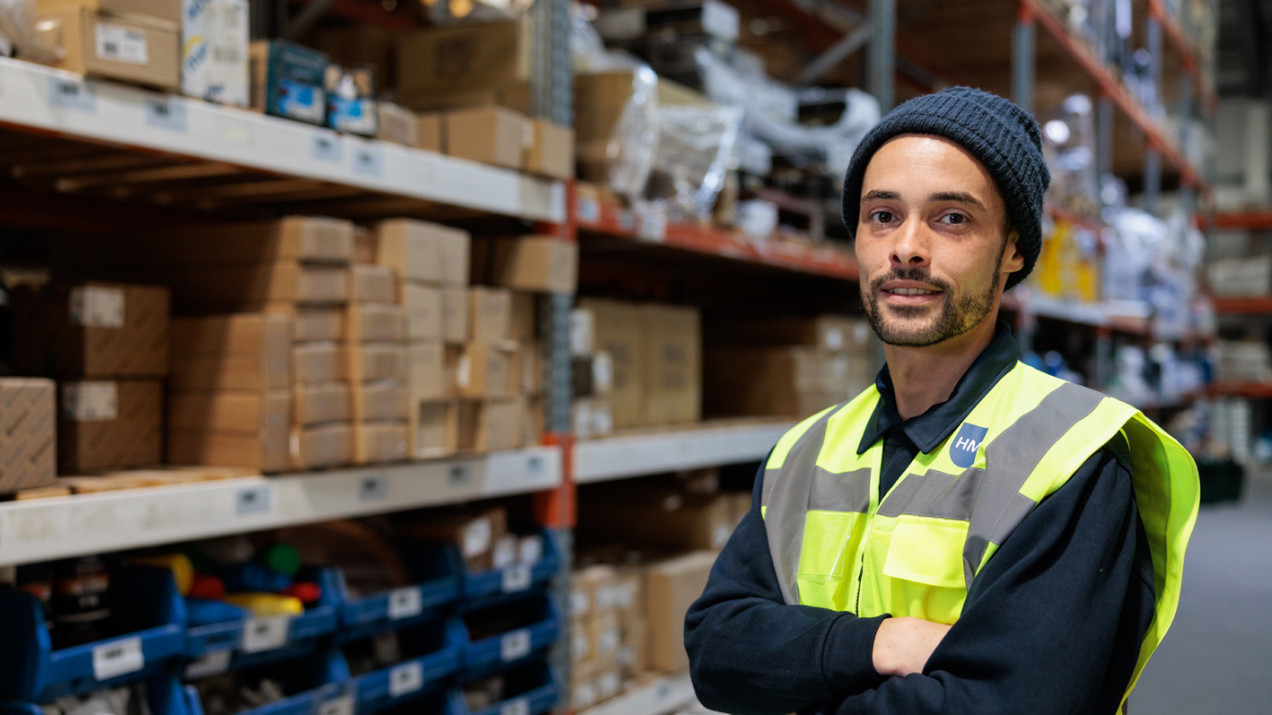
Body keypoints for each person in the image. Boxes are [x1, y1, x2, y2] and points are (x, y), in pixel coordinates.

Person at [683, 87, 1200, 714]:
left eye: (952, 218)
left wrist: (795, 677)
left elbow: (1005, 704)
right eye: (882, 216)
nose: (907, 247)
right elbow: (716, 652)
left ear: (1013, 249)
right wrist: (880, 642)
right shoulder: (804, 453)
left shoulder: (1072, 458)